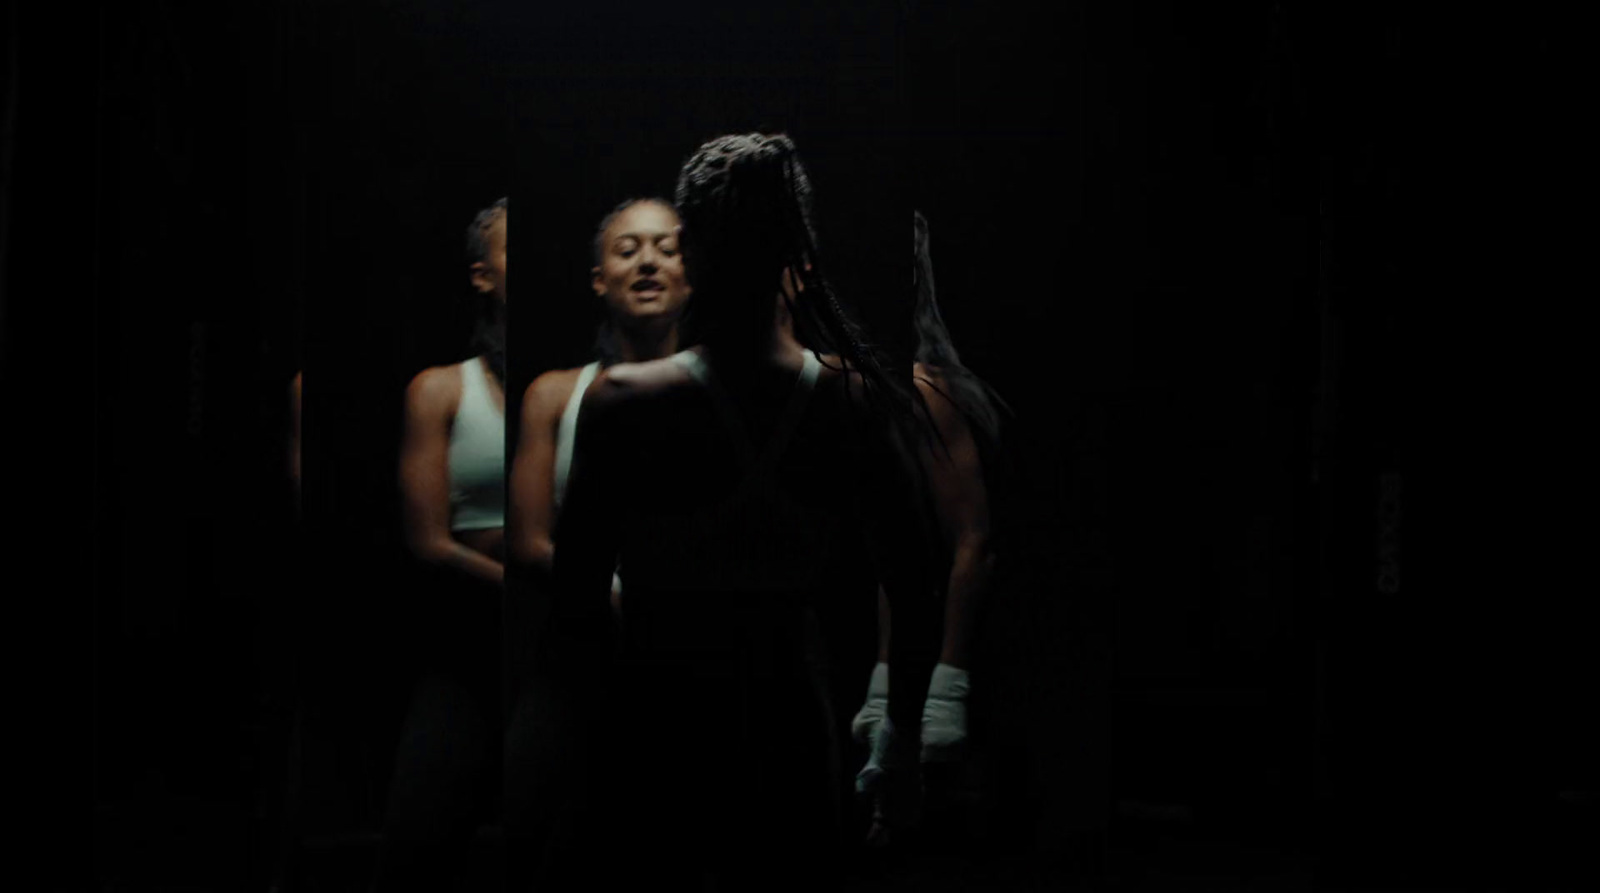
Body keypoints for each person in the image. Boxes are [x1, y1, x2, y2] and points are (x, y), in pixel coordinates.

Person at [524, 133, 940, 889]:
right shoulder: (850, 404)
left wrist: (582, 757)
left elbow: (575, 607)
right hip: (790, 728)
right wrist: (902, 741)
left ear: (695, 257)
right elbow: (916, 584)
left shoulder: (627, 405)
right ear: (803, 256)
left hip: (654, 728)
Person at [849, 210, 1008, 844]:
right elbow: (895, 547)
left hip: (945, 660)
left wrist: (944, 685)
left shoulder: (925, 391)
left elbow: (971, 540)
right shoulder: (858, 385)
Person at [373, 197, 507, 892]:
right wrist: (532, 582)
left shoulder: (579, 387)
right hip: (465, 650)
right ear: (483, 277)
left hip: (562, 648)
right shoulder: (441, 389)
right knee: (417, 847)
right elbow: (426, 541)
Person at [508, 197, 693, 613]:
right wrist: (614, 598)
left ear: (691, 273)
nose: (648, 262)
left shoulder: (722, 393)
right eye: (627, 251)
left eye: (667, 250)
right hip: (583, 642)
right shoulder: (552, 397)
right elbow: (527, 544)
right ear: (599, 279)